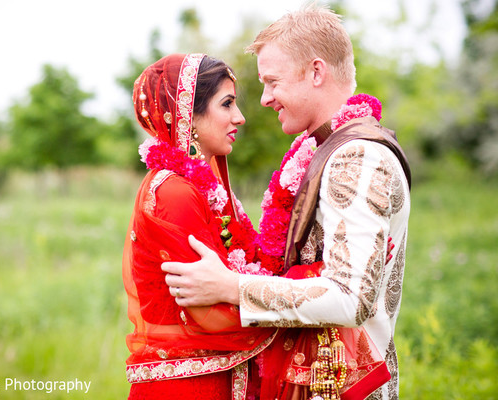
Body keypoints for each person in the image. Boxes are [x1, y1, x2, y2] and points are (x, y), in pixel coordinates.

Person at [162, 4, 412, 400]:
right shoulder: (331, 150)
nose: (264, 99)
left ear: (316, 72)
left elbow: (352, 298)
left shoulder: (357, 157)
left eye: (272, 82)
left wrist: (233, 287)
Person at [122, 53, 278, 400]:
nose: (240, 117)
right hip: (189, 387)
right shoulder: (176, 192)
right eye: (227, 104)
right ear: (188, 116)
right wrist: (300, 306)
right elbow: (208, 315)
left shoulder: (205, 188)